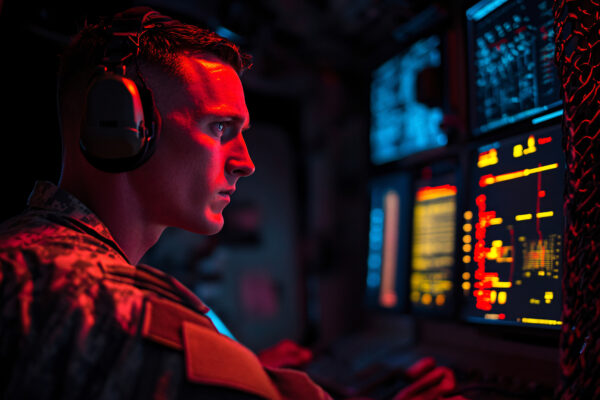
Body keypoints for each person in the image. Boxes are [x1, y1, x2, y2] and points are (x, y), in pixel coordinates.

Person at [0, 7, 462, 399]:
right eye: (221, 129)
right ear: (121, 126)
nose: (246, 163)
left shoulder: (33, 254)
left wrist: (247, 367)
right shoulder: (101, 301)